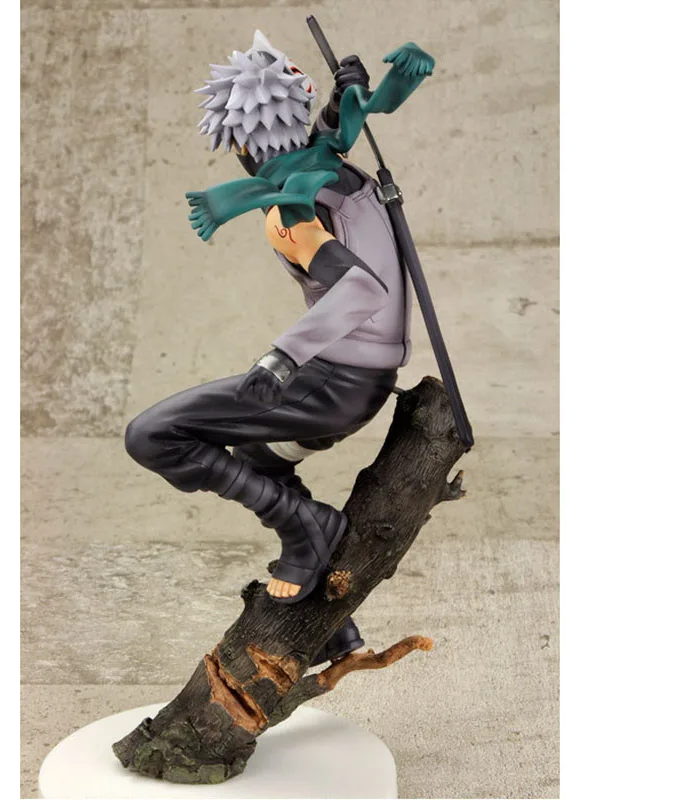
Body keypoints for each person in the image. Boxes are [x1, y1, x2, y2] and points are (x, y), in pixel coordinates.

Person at [125, 30, 430, 664]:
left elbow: (360, 289)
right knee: (258, 461)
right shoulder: (329, 165)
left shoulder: (291, 209)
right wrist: (366, 89)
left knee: (151, 435)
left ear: (241, 144)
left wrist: (282, 356)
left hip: (333, 384)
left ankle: (305, 527)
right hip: (363, 380)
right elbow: (340, 125)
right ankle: (332, 625)